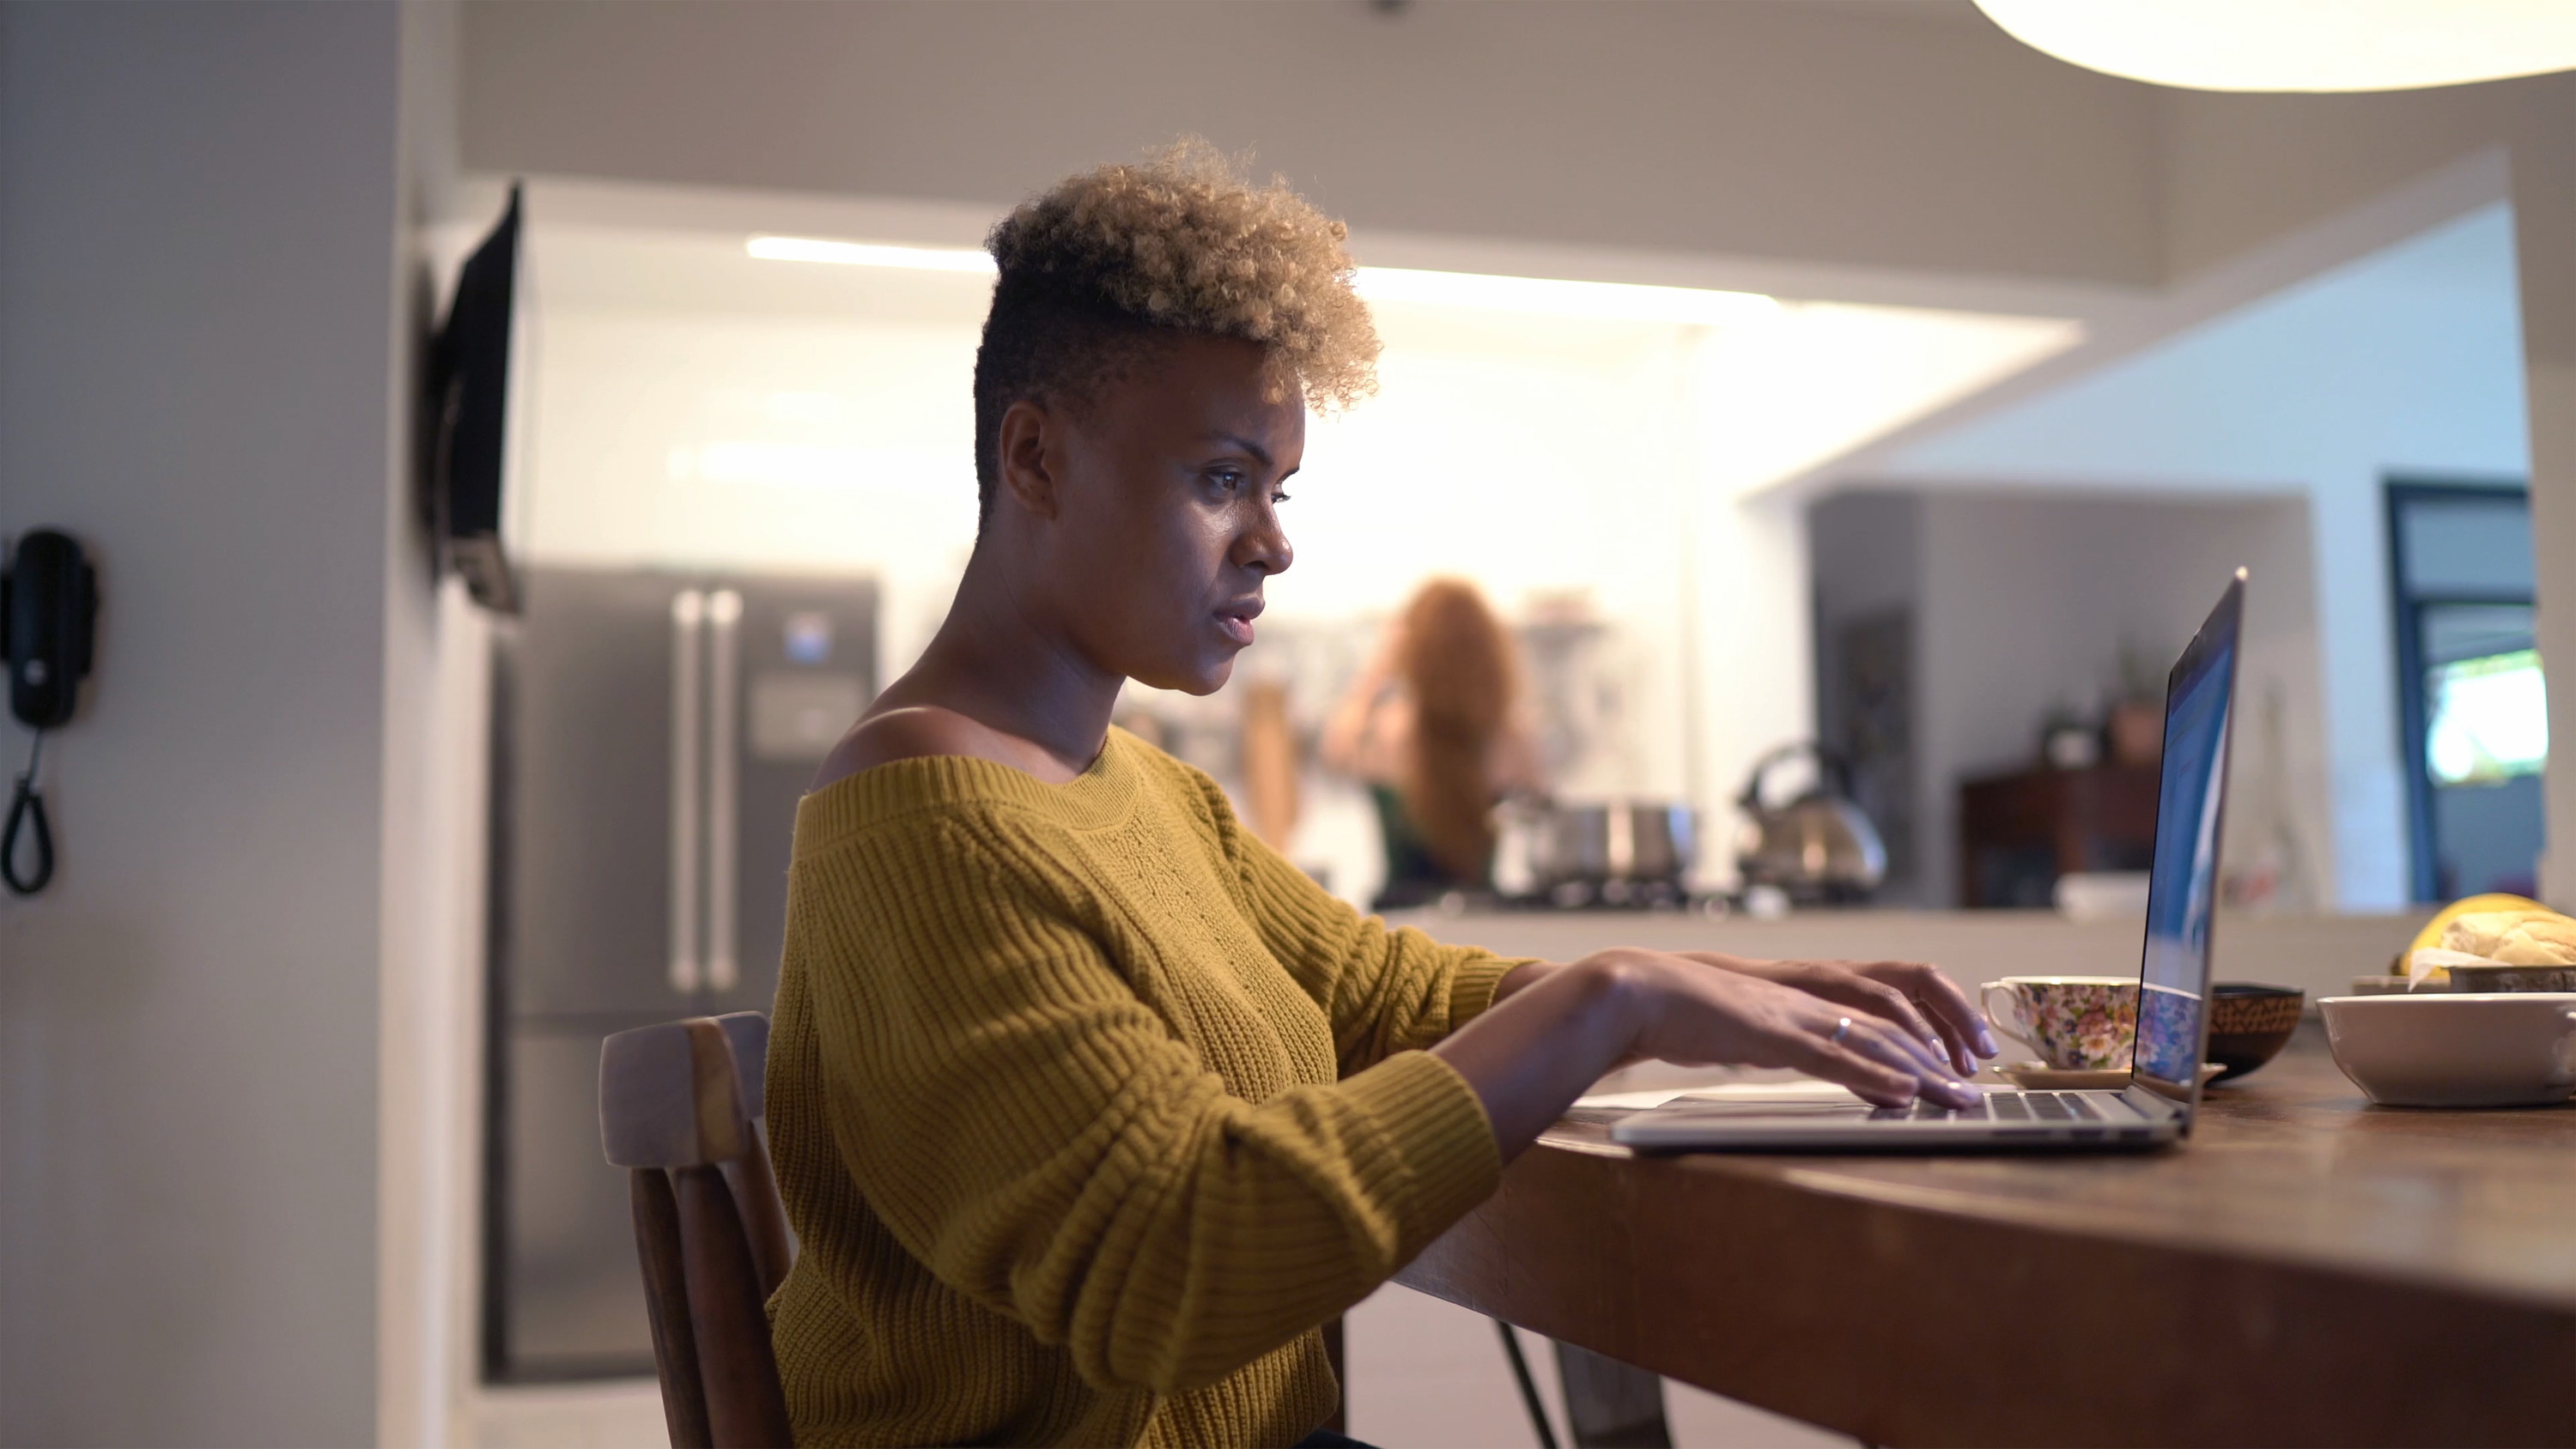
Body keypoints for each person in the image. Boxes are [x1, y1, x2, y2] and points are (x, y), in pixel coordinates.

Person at [766, 141, 1995, 1449]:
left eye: (1278, 488)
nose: (1276, 542)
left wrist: (1694, 988)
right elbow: (1177, 1265)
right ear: (1036, 461)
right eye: (1223, 478)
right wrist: (1611, 1000)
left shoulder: (1143, 794)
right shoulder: (927, 821)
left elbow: (1383, 1001)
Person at [1320, 579, 1543, 907]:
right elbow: (1540, 801)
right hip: (1484, 918)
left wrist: (1380, 668)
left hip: (1400, 924)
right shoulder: (1507, 735)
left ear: (1413, 648)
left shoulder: (1390, 729)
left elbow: (1334, 753)